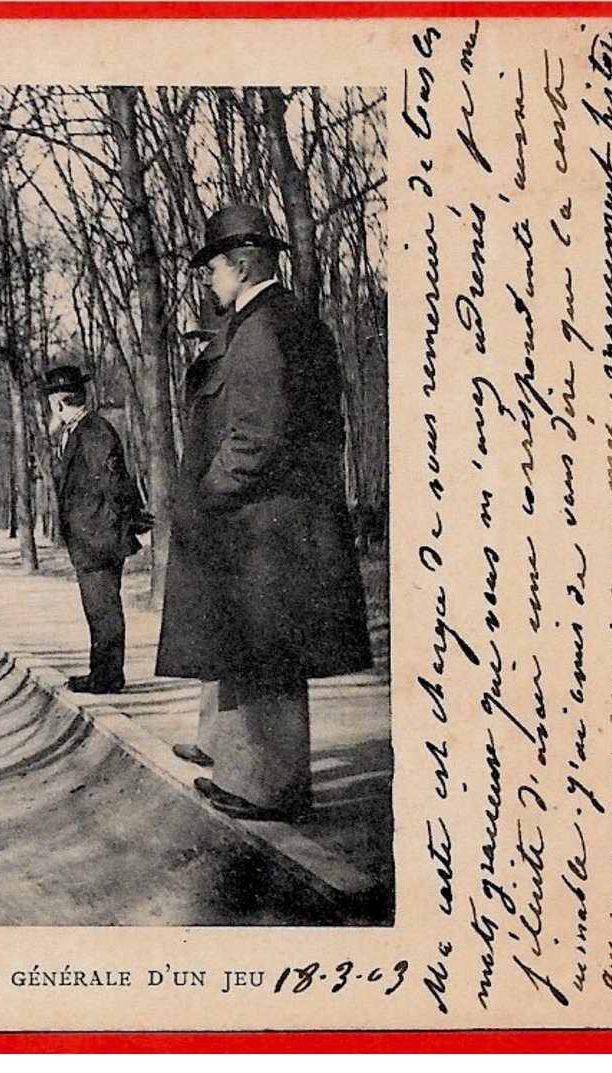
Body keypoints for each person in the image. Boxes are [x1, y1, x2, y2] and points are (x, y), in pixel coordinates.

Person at [155, 203, 372, 823]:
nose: (209, 282)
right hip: (278, 521)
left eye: (214, 270)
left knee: (267, 656)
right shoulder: (288, 320)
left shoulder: (262, 328)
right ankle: (250, 779)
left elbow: (255, 434)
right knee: (257, 655)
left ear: (243, 265)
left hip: (263, 523)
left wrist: (209, 493)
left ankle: (267, 789)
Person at [44, 364, 141, 695]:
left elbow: (115, 484)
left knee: (103, 609)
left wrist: (119, 524)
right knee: (98, 609)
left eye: (50, 403)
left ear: (58, 403)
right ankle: (101, 671)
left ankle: (109, 677)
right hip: (91, 537)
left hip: (99, 537)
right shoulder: (81, 431)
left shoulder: (94, 431)